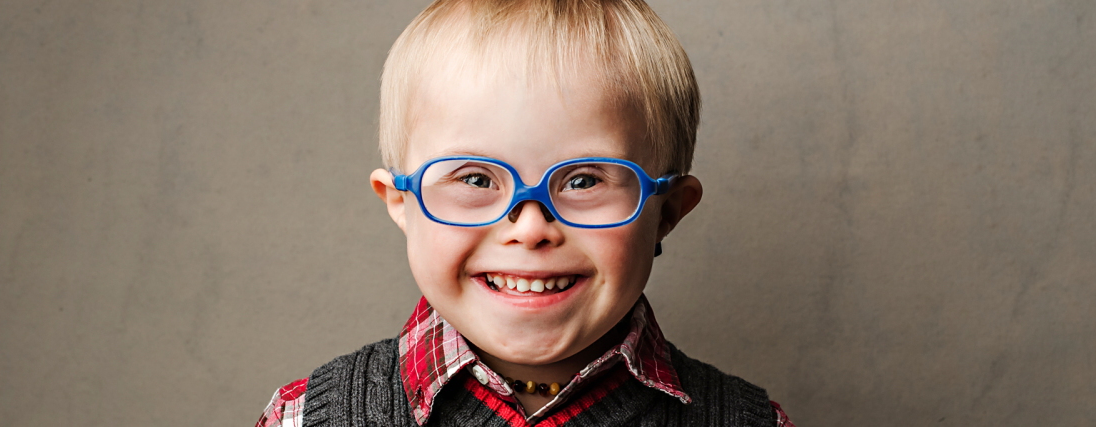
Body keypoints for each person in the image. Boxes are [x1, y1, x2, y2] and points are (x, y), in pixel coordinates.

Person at [255, 0, 794, 425]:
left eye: (583, 180)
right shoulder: (305, 419)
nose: (531, 228)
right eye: (475, 179)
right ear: (401, 202)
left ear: (668, 211)